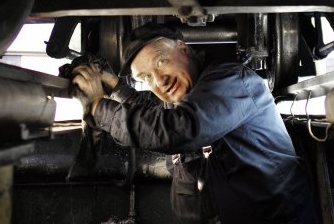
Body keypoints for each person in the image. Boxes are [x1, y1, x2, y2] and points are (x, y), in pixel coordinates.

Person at [71, 23, 316, 224]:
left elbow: (178, 129)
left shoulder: (232, 81)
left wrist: (97, 107)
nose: (159, 81)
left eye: (161, 62)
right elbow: (151, 111)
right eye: (146, 78)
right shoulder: (182, 98)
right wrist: (114, 86)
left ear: (183, 49)